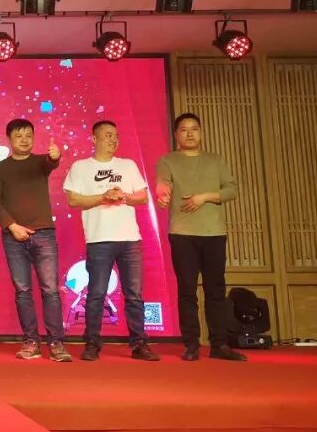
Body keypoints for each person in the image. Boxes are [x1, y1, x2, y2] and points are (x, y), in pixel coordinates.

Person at [63, 121, 159, 362]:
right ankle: (92, 343)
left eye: (116, 135)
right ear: (94, 139)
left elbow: (142, 196)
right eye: (107, 135)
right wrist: (102, 197)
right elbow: (74, 200)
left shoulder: (127, 165)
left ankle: (139, 344)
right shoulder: (81, 167)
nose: (113, 139)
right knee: (96, 293)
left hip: (130, 239)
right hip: (99, 240)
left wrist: (123, 196)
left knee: (134, 294)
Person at [156, 113, 243, 362]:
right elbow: (162, 183)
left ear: (201, 132)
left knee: (216, 289)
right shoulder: (168, 160)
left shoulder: (215, 160)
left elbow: (232, 190)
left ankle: (219, 344)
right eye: (184, 129)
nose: (190, 133)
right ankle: (191, 344)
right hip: (182, 234)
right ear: (176, 134)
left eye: (194, 129)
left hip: (214, 233)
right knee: (187, 291)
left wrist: (204, 197)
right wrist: (162, 193)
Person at [0, 118, 73, 362]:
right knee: (23, 291)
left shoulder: (39, 163)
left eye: (28, 135)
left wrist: (55, 156)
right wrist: (12, 226)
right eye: (18, 136)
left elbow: (51, 162)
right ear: (9, 139)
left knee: (50, 290)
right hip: (13, 237)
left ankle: (56, 342)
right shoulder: (0, 168)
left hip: (44, 234)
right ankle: (31, 341)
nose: (24, 140)